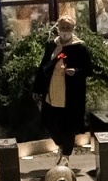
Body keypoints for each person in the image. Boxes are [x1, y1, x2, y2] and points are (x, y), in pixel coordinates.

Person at [33, 16, 92, 164]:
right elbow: (43, 66)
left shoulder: (80, 48)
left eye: (68, 29)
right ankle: (61, 145)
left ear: (73, 30)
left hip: (71, 94)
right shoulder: (52, 45)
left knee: (68, 125)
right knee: (48, 121)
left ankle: (66, 155)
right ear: (57, 29)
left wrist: (75, 71)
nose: (65, 32)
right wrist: (37, 88)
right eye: (62, 28)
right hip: (52, 90)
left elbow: (89, 69)